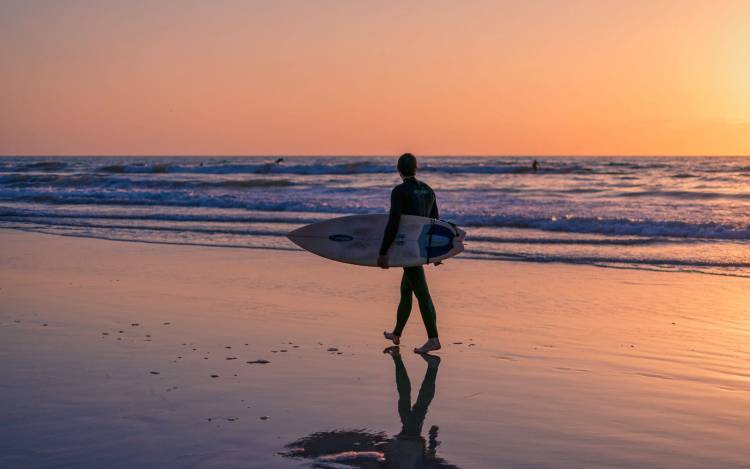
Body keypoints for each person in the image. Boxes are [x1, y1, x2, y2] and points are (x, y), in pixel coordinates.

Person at [378, 153, 442, 354]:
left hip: (408, 248)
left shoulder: (399, 191)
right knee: (406, 290)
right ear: (416, 167)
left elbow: (394, 222)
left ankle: (433, 338)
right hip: (421, 247)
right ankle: (397, 333)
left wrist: (383, 252)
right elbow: (435, 222)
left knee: (422, 293)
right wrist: (435, 253)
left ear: (399, 169)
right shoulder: (428, 190)